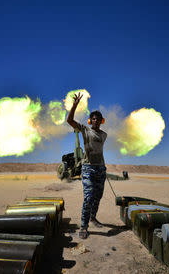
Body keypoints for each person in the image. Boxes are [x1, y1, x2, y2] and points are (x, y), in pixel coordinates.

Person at [67, 92, 107, 239]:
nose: (95, 121)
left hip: (101, 168)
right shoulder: (85, 130)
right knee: (89, 197)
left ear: (101, 121)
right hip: (88, 168)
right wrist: (75, 105)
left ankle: (93, 217)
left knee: (98, 197)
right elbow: (69, 120)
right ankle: (84, 226)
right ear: (90, 121)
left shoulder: (104, 135)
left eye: (98, 119)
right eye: (93, 119)